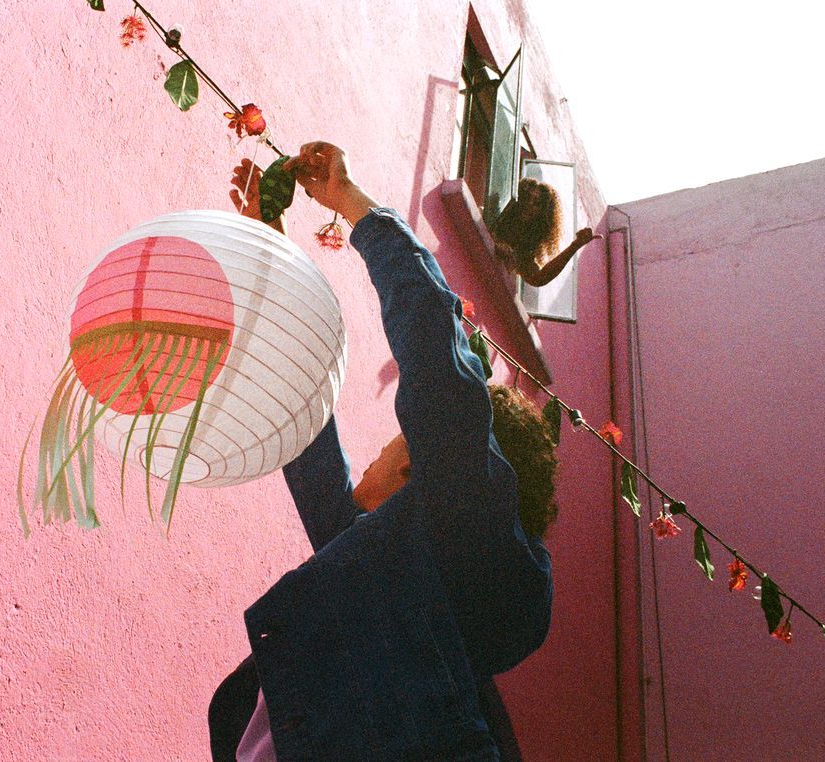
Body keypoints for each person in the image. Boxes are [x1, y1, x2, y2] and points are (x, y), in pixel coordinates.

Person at [212, 143, 559, 760]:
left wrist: (354, 204)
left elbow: (433, 347)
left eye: (391, 443)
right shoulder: (386, 575)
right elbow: (309, 437)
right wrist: (275, 260)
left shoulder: (454, 538)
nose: (371, 460)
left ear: (418, 468)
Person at [491, 177, 601, 287]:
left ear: (542, 214)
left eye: (537, 203)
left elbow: (538, 278)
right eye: (527, 197)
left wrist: (575, 246)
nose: (529, 204)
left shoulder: (524, 251)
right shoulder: (494, 214)